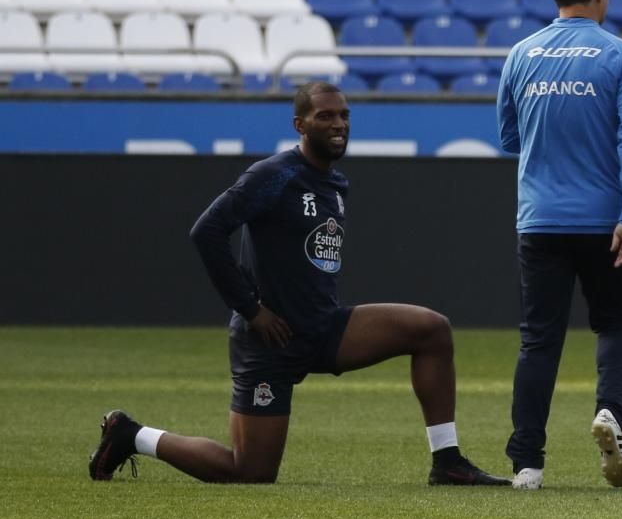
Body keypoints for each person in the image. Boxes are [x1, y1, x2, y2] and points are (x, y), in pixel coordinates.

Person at [89, 81, 509, 487]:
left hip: (324, 328)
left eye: (344, 115)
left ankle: (448, 462)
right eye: (325, 116)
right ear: (300, 125)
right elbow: (207, 231)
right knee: (250, 471)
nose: (339, 124)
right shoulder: (274, 174)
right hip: (271, 339)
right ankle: (132, 435)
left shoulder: (333, 181)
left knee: (431, 330)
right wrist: (252, 311)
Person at [496, 0, 622, 490]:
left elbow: (509, 137)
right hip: (604, 219)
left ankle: (527, 465)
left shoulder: (520, 54)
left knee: (538, 340)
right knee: (615, 323)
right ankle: (611, 411)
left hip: (539, 219)